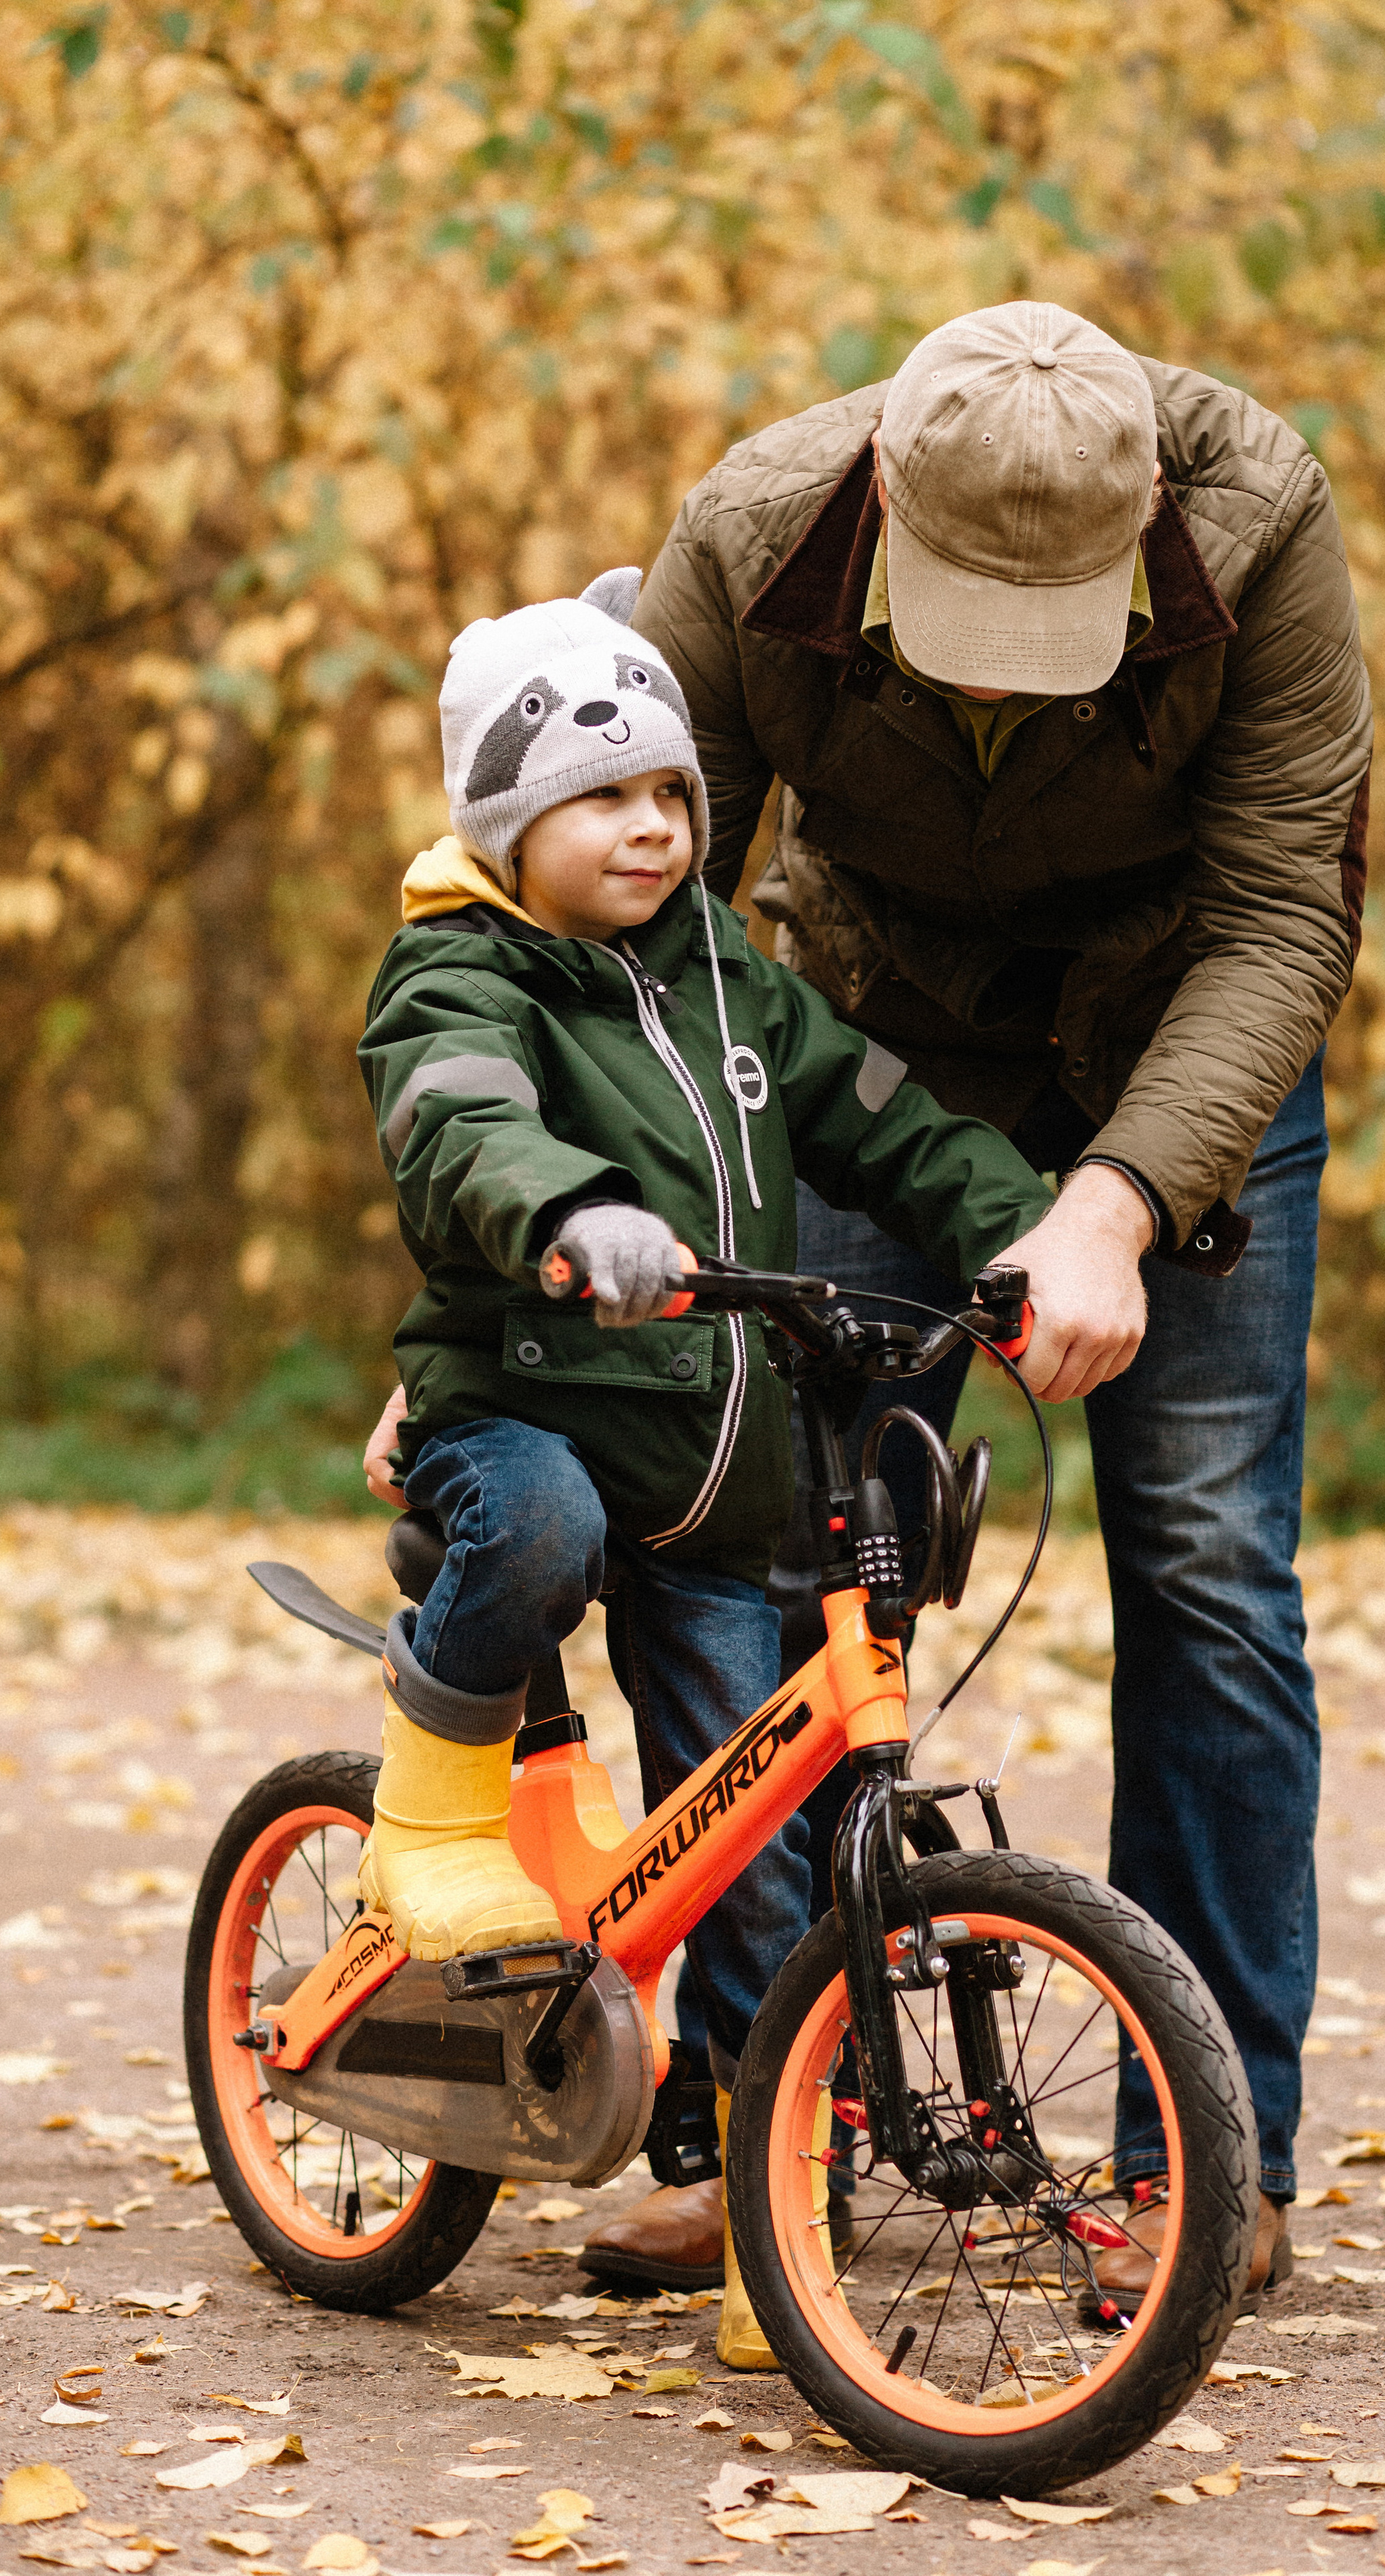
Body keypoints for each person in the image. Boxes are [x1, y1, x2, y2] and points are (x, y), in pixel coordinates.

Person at [578, 299, 1374, 2312]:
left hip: (1176, 1054)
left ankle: (1210, 2161)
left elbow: (1290, 905)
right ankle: (770, 2131)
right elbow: (621, 924)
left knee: (1203, 1570)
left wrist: (1116, 1202)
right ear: (884, 507)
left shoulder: (1263, 522)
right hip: (870, 1062)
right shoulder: (754, 539)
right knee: (781, 1568)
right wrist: (566, 1243)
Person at [355, 570, 1056, 2365]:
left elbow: (877, 1111)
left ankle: (768, 2199)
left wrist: (1019, 1237)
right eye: (602, 796)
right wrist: (566, 1211)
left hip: (716, 1477)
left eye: (672, 792)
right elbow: (458, 1122)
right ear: (510, 823)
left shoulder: (726, 975)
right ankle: (428, 1829)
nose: (653, 825)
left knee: (759, 1838)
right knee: (541, 1525)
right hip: (526, 1410)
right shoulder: (459, 965)